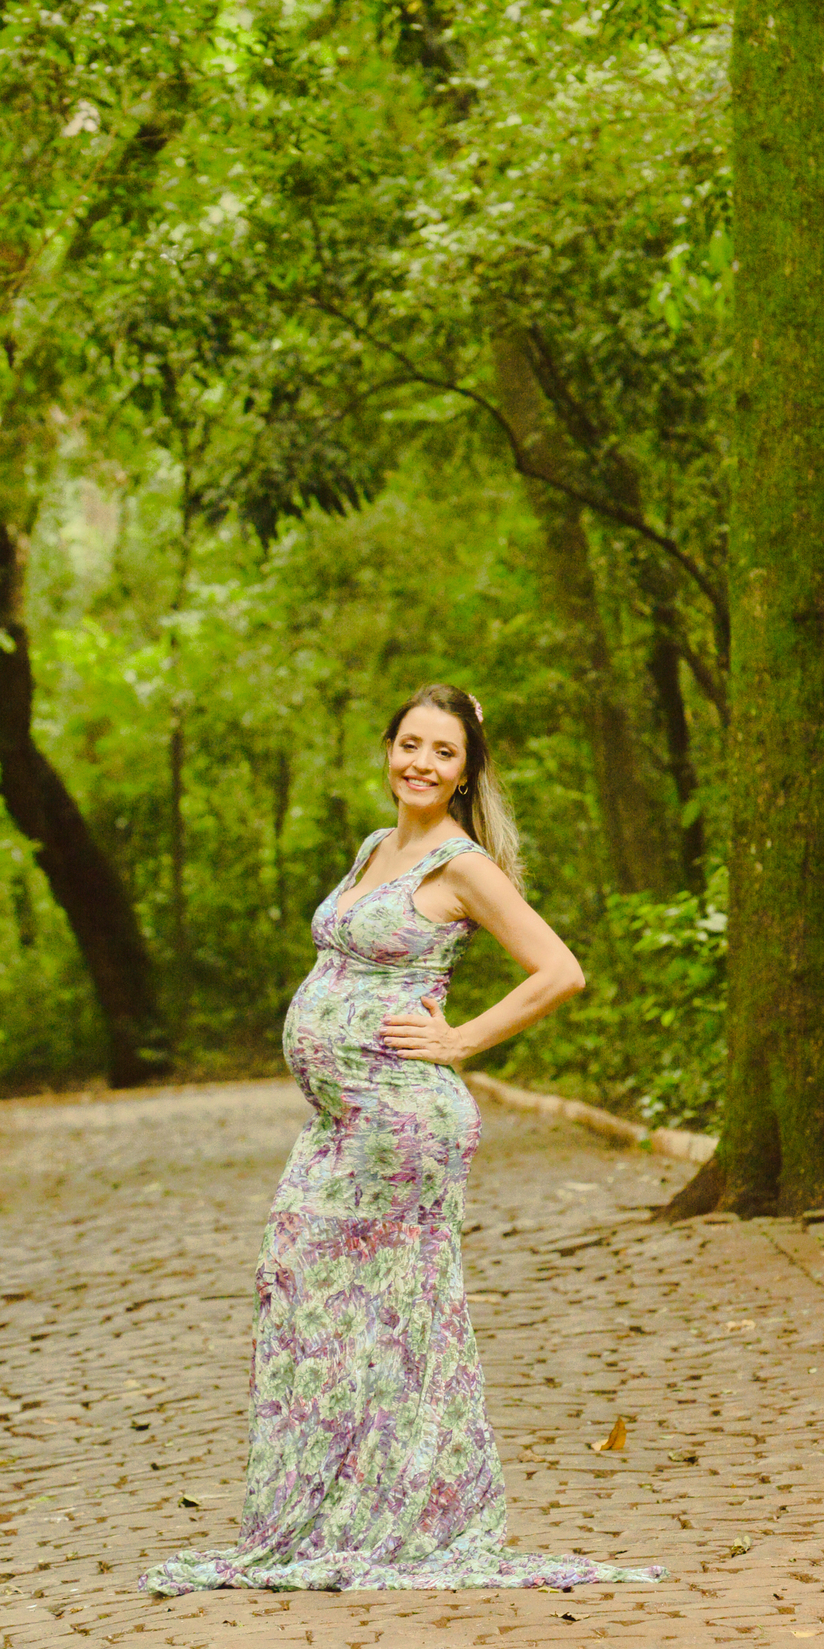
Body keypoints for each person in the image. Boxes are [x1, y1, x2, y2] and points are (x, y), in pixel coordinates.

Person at [139, 682, 664, 1596]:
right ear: (388, 749)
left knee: (397, 1316)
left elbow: (559, 969)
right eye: (409, 744)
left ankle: (412, 1519)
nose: (421, 763)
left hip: (403, 1122)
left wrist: (461, 1041)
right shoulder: (376, 849)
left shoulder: (462, 867)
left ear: (465, 773)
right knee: (308, 1299)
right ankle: (330, 1509)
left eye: (443, 752)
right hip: (338, 1123)